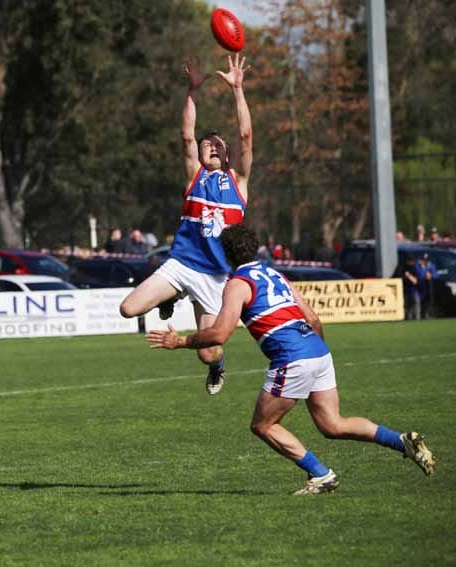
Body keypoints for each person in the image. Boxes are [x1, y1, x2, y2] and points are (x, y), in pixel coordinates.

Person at [146, 224, 436, 494]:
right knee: (333, 424)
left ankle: (321, 475)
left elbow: (219, 334)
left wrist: (181, 341)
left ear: (226, 254)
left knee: (263, 425)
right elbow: (311, 317)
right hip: (318, 350)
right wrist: (317, 355)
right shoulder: (275, 275)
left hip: (292, 358)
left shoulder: (237, 284)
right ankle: (400, 441)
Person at [120, 53, 253, 396]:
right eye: (207, 142)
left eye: (218, 144)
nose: (211, 144)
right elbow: (185, 135)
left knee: (209, 351)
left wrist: (238, 89)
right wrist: (192, 90)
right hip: (182, 264)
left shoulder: (238, 181)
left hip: (218, 277)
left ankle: (217, 368)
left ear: (227, 155)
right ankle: (176, 292)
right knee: (128, 308)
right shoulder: (195, 176)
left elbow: (246, 135)